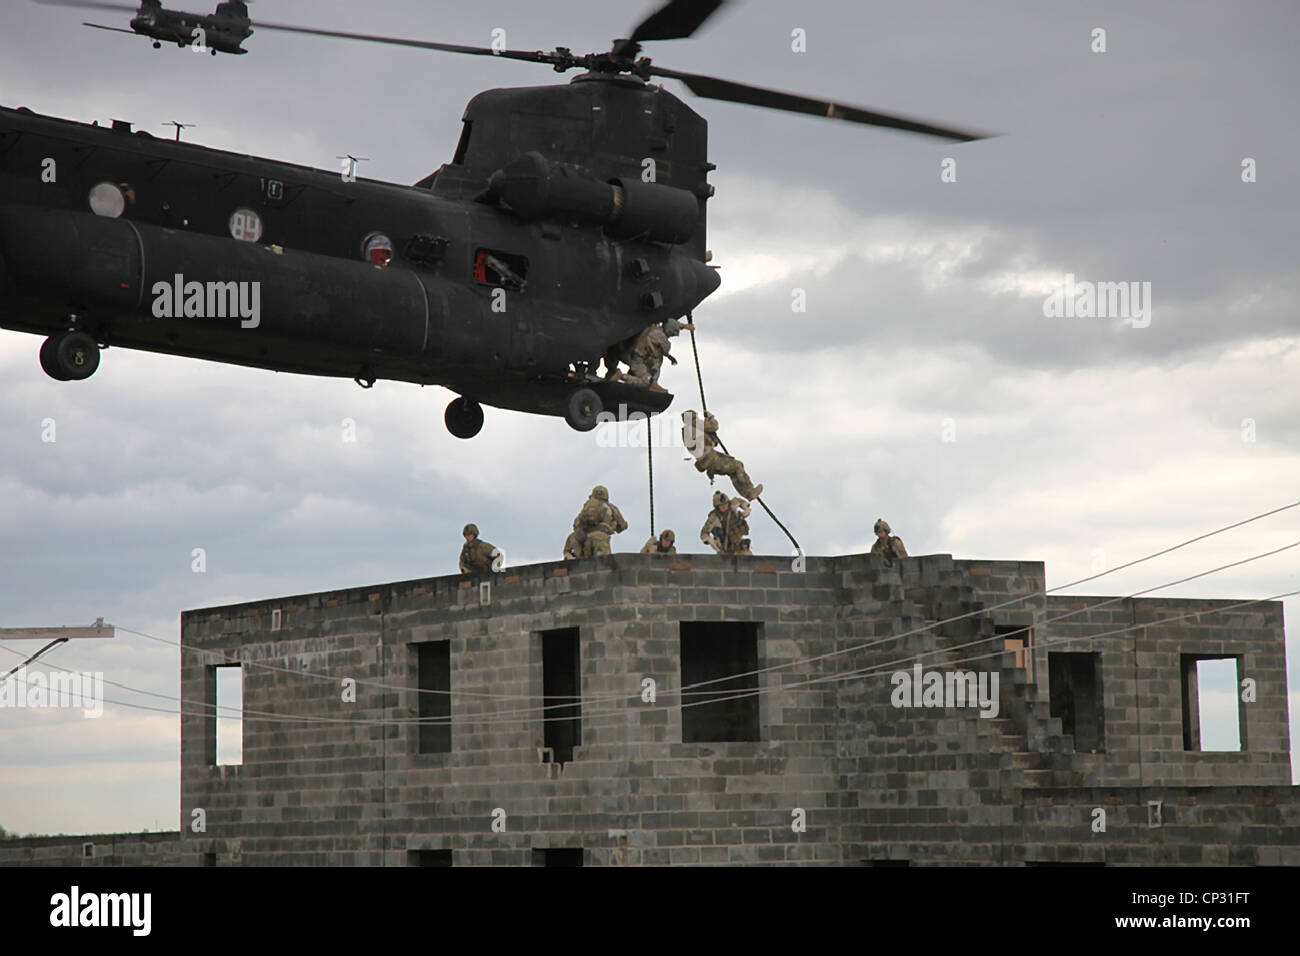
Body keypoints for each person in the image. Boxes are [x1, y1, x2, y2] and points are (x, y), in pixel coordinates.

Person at [681, 409, 763, 500]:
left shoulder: (686, 432)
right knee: (737, 466)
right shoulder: (695, 424)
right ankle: (749, 492)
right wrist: (710, 417)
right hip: (712, 459)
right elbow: (714, 426)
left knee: (733, 472)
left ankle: (748, 493)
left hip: (706, 462)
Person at [616, 316, 694, 391]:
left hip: (632, 356)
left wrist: (683, 326)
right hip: (638, 361)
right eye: (672, 334)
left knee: (634, 383)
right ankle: (621, 376)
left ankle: (621, 381)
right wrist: (670, 357)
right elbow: (665, 350)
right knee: (646, 383)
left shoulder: (652, 328)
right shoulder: (662, 338)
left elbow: (670, 322)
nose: (671, 336)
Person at [573, 485, 627, 556]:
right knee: (603, 565)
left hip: (586, 541)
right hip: (601, 541)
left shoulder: (586, 507)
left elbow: (576, 525)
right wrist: (613, 525)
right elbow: (622, 526)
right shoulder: (610, 507)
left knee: (588, 565)